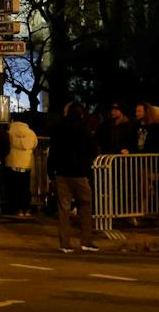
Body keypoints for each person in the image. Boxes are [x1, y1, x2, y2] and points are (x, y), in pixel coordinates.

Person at [48, 104, 99, 253]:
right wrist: (86, 164)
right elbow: (93, 148)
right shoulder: (84, 129)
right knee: (85, 206)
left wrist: (51, 173)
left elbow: (53, 152)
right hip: (79, 173)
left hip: (62, 173)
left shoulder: (58, 129)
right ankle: (86, 240)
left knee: (63, 209)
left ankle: (65, 243)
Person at [5, 116, 39, 216]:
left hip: (13, 162)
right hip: (26, 163)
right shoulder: (31, 133)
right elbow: (34, 144)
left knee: (14, 187)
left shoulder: (9, 132)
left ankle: (16, 209)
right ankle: (26, 208)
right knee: (25, 186)